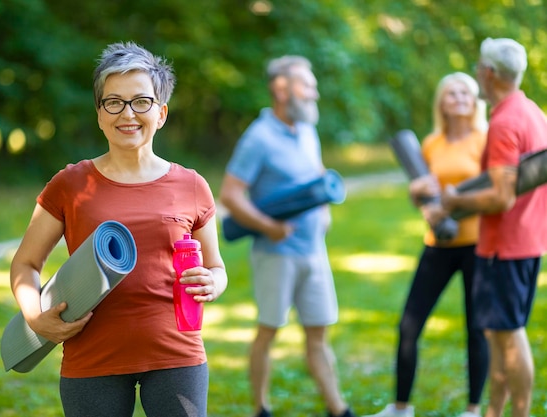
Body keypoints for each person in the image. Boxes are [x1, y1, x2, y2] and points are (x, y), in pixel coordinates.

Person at [9, 42, 228, 417]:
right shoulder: (70, 184)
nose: (127, 113)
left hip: (177, 355)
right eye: (114, 102)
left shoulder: (192, 185)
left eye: (141, 101)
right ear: (99, 114)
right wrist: (34, 316)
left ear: (161, 113)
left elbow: (216, 268)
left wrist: (213, 283)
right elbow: (25, 264)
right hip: (91, 358)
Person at [219, 55, 355, 417]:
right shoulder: (259, 138)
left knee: (318, 334)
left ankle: (338, 409)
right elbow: (230, 194)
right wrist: (269, 227)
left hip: (314, 251)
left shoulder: (306, 129)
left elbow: (317, 173)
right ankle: (261, 409)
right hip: (275, 254)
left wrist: (324, 211)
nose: (315, 92)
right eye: (307, 85)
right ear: (282, 89)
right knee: (269, 331)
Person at [365, 73, 490, 417]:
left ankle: (473, 409)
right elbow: (422, 193)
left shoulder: (486, 140)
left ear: (476, 99)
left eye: (465, 91)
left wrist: (451, 205)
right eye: (452, 93)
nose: (459, 98)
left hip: (476, 246)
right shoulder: (431, 143)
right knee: (408, 326)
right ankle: (401, 407)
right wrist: (418, 198)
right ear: (442, 102)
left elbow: (494, 192)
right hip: (437, 245)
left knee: (476, 330)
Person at [440, 38, 547, 417]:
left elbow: (501, 197)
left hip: (505, 246)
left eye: (477, 68)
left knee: (509, 336)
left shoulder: (504, 122)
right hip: (527, 242)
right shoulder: (532, 111)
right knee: (498, 337)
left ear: (487, 73)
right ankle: (494, 413)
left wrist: (455, 201)